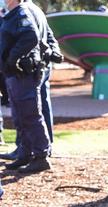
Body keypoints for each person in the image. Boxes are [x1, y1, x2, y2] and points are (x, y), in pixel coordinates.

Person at [0, 0, 51, 173]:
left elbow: (31, 35)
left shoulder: (21, 13)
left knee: (30, 114)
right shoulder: (12, 14)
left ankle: (41, 156)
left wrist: (12, 59)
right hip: (13, 74)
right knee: (19, 115)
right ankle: (25, 153)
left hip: (23, 73)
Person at [26, 0, 63, 146]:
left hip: (32, 66)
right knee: (43, 104)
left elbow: (28, 39)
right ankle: (47, 144)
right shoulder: (37, 10)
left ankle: (28, 148)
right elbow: (50, 37)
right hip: (43, 65)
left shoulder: (23, 11)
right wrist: (54, 53)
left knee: (29, 108)